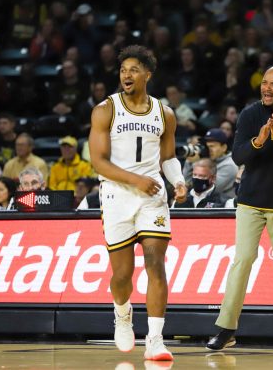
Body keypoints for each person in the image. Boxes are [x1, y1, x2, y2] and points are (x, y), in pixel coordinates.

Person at [88, 45, 187, 361]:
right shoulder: (106, 110)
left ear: (147, 74)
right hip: (117, 196)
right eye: (122, 70)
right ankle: (122, 312)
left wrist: (179, 181)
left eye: (133, 69)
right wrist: (135, 180)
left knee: (156, 264)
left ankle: (155, 340)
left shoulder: (164, 113)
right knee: (121, 275)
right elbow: (98, 162)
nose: (126, 75)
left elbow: (168, 157)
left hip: (152, 199)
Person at [206, 65, 273, 352]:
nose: (267, 88)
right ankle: (226, 329)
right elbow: (239, 155)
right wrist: (259, 140)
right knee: (241, 262)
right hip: (250, 202)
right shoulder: (250, 114)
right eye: (264, 82)